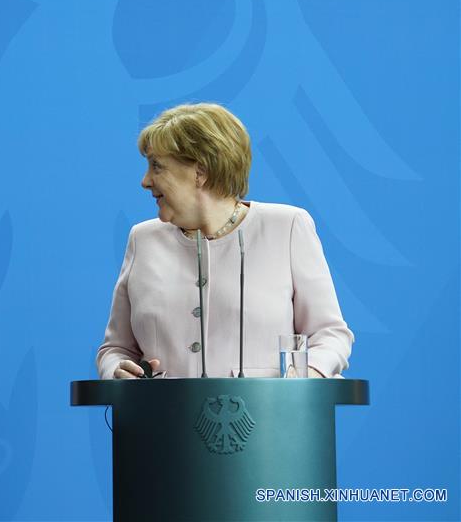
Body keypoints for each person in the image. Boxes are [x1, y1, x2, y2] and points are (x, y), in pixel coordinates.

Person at [96, 103, 353, 380]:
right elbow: (116, 348)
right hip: (161, 419)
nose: (145, 181)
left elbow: (330, 334)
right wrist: (116, 369)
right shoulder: (142, 239)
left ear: (200, 172)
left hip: (267, 418)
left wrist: (306, 377)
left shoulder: (287, 227)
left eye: (157, 167)